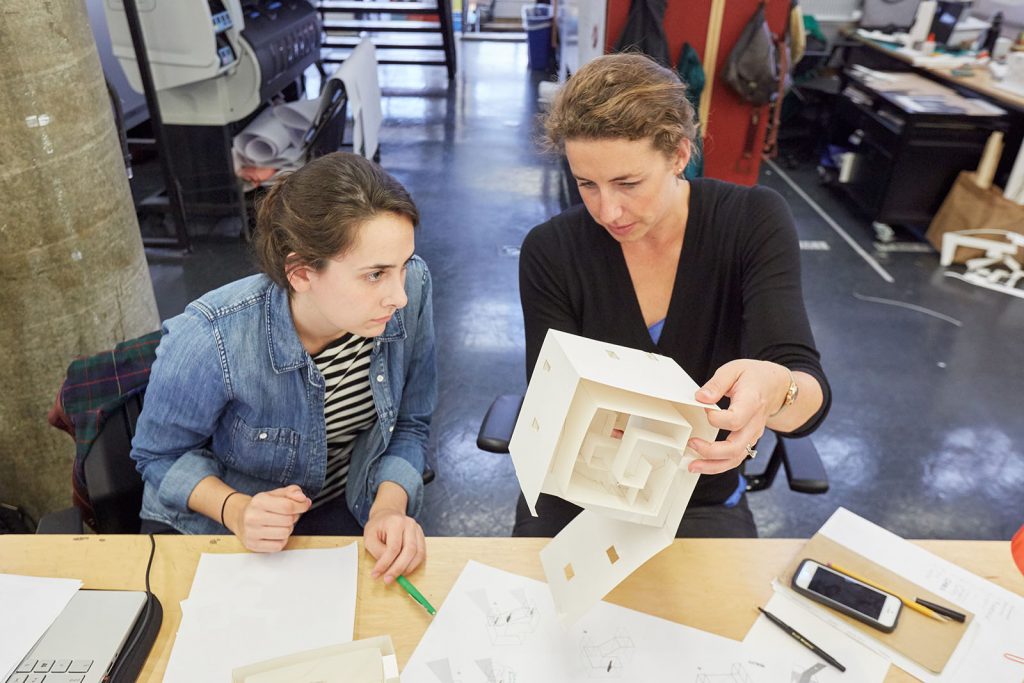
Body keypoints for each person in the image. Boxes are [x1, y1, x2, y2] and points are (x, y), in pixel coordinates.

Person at [515, 53, 831, 538]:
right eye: (586, 185)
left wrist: (776, 390)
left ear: (680, 154)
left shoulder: (752, 223)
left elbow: (805, 393)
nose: (608, 210)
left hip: (699, 494)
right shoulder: (551, 250)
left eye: (628, 183)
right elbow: (552, 396)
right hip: (580, 494)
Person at [131, 152, 436, 583]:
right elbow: (156, 455)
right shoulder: (211, 337)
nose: (399, 296)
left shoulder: (413, 287)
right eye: (375, 275)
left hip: (339, 512)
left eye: (403, 266)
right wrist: (236, 509)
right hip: (221, 532)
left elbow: (411, 422)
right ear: (300, 273)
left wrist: (387, 509)